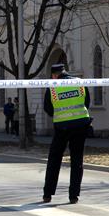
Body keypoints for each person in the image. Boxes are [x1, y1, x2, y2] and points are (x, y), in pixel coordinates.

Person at [42, 63, 91, 204]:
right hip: (80, 125)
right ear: (64, 71)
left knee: (54, 160)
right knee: (77, 161)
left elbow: (48, 108)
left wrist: (59, 114)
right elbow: (86, 102)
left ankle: (48, 194)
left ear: (54, 75)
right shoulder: (79, 82)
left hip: (62, 127)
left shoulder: (53, 87)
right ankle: (73, 196)